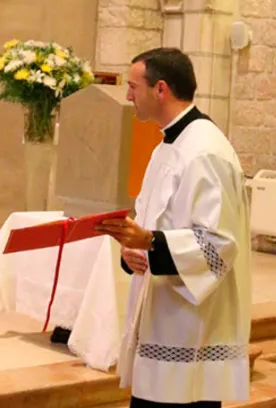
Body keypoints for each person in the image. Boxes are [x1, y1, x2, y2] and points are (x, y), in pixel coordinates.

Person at [96, 47, 251, 407]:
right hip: (162, 310)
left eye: (134, 86)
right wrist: (132, 249)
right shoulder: (169, 145)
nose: (129, 95)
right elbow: (154, 221)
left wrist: (150, 241)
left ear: (160, 89)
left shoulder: (205, 150)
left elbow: (219, 245)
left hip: (190, 325)